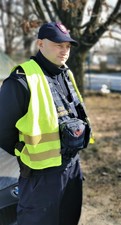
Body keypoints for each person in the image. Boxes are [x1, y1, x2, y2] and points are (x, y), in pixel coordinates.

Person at [0, 22, 93, 225]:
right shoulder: (21, 80)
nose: (64, 50)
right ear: (40, 44)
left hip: (71, 167)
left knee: (68, 219)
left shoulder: (66, 74)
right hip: (40, 176)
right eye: (58, 44)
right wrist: (25, 152)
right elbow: (3, 132)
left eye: (67, 46)